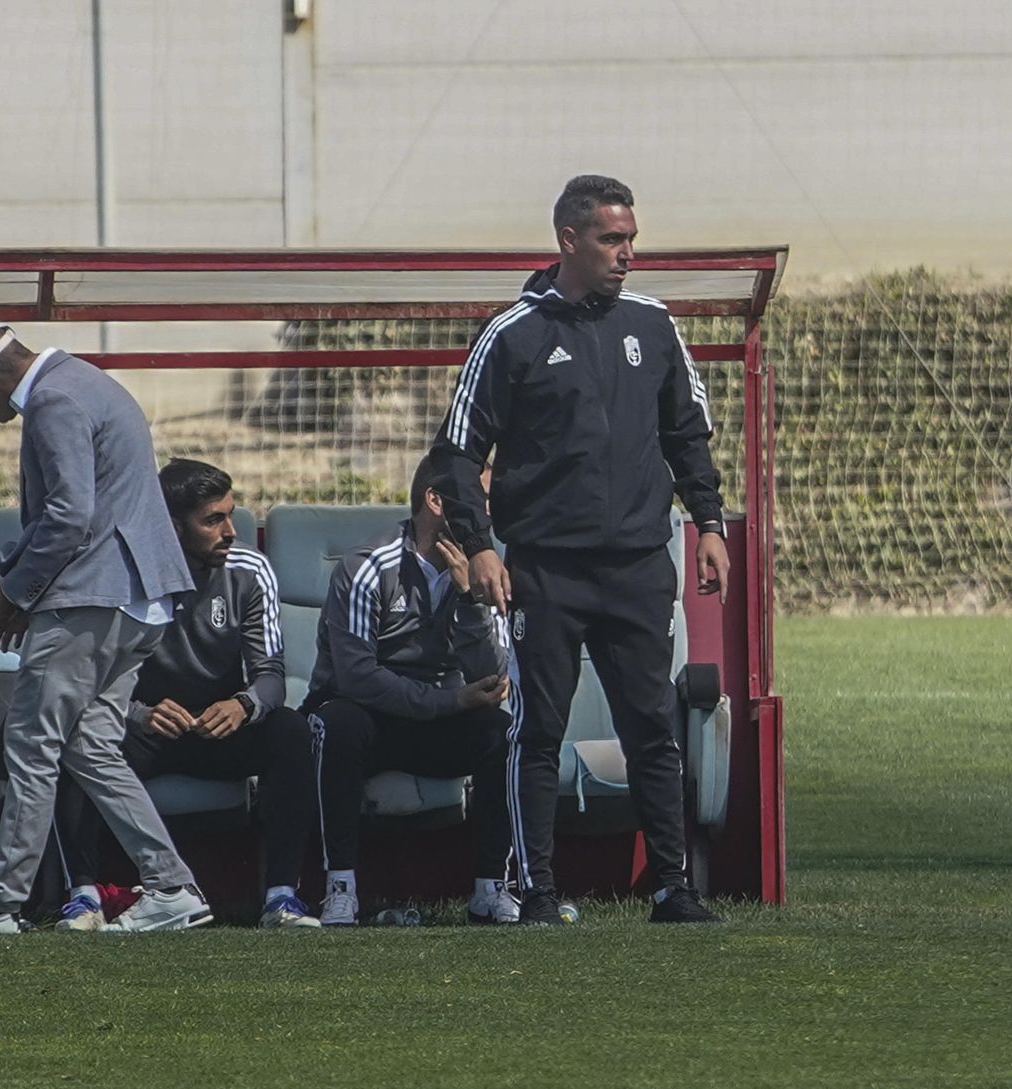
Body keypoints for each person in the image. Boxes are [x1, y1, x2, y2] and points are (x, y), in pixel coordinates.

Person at [426, 174, 729, 924]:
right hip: (547, 569)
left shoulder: (654, 325)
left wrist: (711, 522)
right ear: (569, 239)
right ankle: (539, 892)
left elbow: (687, 434)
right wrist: (482, 545)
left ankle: (671, 886)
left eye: (632, 239)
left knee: (653, 725)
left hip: (636, 564)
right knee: (540, 730)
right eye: (611, 240)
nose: (627, 254)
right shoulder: (512, 333)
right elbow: (457, 454)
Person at [0, 320, 208, 934]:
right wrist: (19, 590)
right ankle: (172, 886)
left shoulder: (52, 400)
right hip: (142, 599)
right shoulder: (88, 383)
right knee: (91, 747)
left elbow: (69, 515)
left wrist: (14, 595)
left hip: (91, 601)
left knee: (32, 745)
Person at [51, 459, 319, 930]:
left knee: (291, 731)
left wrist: (244, 705)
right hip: (146, 728)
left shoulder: (250, 570)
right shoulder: (124, 574)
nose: (231, 531)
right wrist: (138, 714)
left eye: (230, 515)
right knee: (78, 738)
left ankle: (281, 898)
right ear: (172, 527)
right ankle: (84, 898)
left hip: (219, 728)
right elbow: (90, 676)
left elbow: (271, 675)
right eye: (213, 520)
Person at [302, 455, 516, 926]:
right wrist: (450, 700)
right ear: (435, 501)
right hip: (368, 716)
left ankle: (490, 888)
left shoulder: (484, 567)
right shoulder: (366, 567)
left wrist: (470, 600)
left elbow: (492, 674)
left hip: (436, 717)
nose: (487, 513)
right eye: (479, 500)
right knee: (336, 724)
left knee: (500, 732)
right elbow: (357, 676)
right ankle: (339, 888)